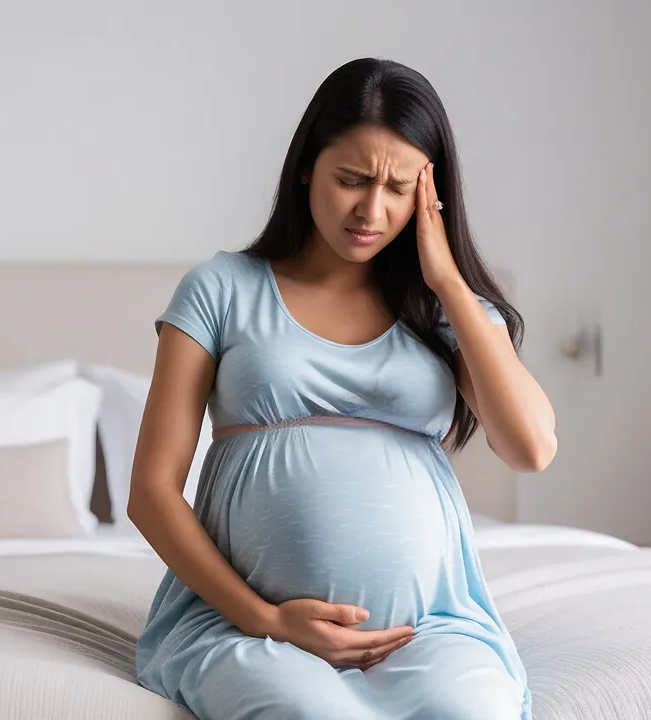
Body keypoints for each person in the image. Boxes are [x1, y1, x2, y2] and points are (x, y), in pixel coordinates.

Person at [127, 57, 555, 719]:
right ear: (306, 168)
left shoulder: (446, 311)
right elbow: (152, 492)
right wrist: (266, 617)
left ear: (430, 193)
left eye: (398, 188)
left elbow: (531, 448)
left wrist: (446, 280)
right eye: (350, 180)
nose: (371, 210)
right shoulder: (220, 289)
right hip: (248, 628)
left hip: (431, 627)